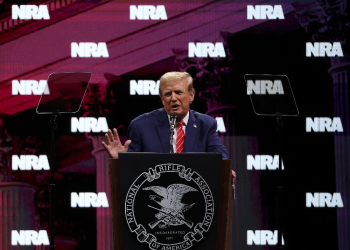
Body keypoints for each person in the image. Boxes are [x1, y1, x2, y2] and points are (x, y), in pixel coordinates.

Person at [102, 71, 236, 182]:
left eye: (178, 92)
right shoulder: (141, 125)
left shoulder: (206, 124)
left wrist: (224, 169)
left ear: (191, 96)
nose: (173, 98)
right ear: (162, 98)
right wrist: (120, 161)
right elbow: (131, 171)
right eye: (167, 94)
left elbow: (218, 152)